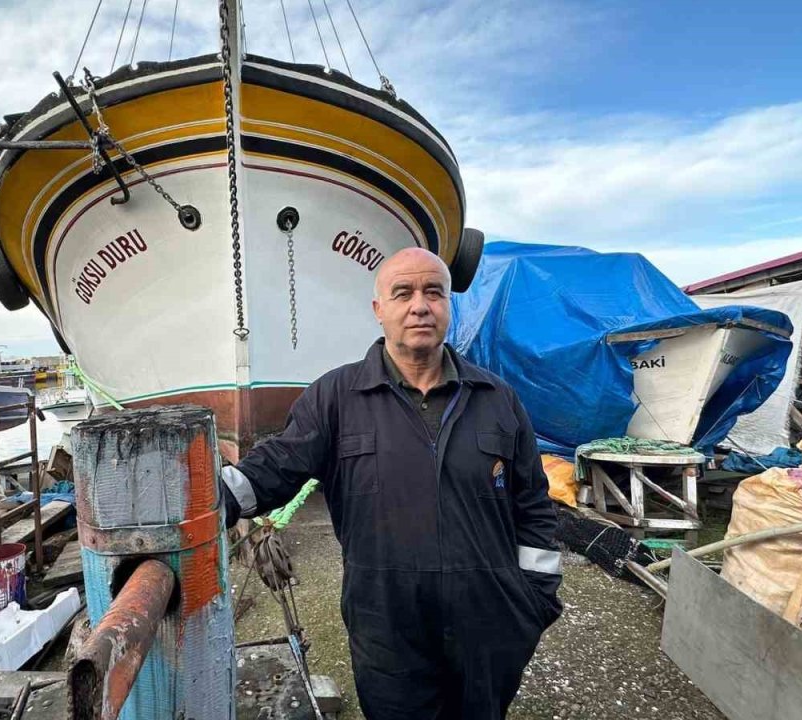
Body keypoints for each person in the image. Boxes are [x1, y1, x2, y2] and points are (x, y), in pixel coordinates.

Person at [220, 247, 562, 719]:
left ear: (448, 306)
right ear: (379, 310)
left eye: (433, 293)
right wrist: (212, 499)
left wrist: (534, 601)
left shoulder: (497, 398)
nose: (419, 305)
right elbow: (279, 463)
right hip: (386, 623)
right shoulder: (337, 395)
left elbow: (534, 506)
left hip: (489, 621)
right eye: (403, 293)